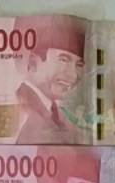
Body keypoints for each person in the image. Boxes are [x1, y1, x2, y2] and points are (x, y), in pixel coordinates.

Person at [13, 16, 86, 144]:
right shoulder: (19, 112)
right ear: (33, 63)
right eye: (63, 60)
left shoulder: (58, 115)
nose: (73, 76)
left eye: (79, 65)